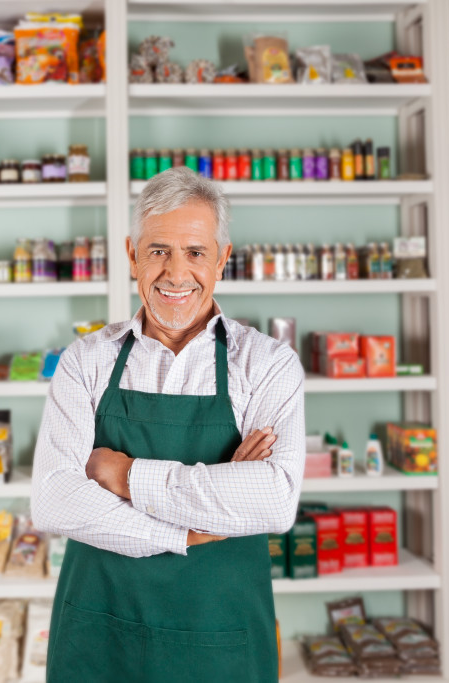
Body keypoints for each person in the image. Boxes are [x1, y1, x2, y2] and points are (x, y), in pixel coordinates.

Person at [32, 167, 306, 682]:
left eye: (196, 252)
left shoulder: (267, 365)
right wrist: (190, 530)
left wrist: (124, 475)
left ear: (223, 259)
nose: (176, 274)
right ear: (132, 253)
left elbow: (273, 500)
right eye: (158, 250)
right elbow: (53, 499)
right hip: (100, 638)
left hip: (221, 642)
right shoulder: (86, 360)